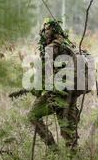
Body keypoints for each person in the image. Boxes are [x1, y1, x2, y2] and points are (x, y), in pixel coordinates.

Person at [28, 20, 88, 150]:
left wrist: (36, 91)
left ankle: (53, 149)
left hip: (58, 94)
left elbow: (44, 75)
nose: (44, 34)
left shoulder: (50, 48)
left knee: (33, 115)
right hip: (71, 93)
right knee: (69, 133)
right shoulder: (69, 45)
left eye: (46, 31)